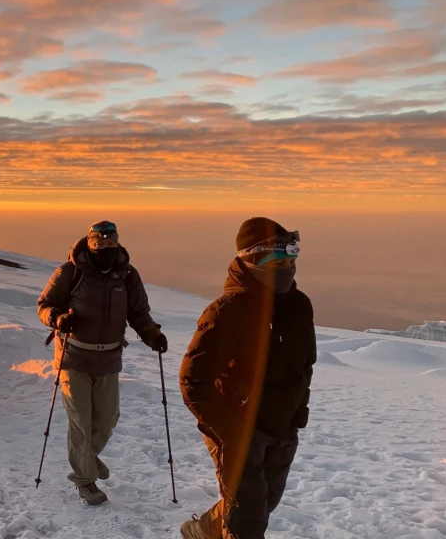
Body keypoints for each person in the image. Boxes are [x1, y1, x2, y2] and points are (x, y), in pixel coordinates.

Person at [179, 217, 316, 539]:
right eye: (279, 261)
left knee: (265, 502)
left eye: (291, 260)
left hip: (281, 425)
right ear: (253, 260)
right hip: (239, 430)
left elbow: (303, 365)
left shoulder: (298, 305)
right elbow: (193, 381)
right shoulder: (230, 309)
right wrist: (232, 431)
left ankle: (204, 528)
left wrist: (298, 413)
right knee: (249, 521)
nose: (288, 267)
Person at [37, 221, 167, 506]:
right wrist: (58, 318)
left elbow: (139, 312)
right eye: (100, 246)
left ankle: (88, 458)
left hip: (109, 358)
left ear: (117, 244)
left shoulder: (128, 276)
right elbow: (44, 305)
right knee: (81, 422)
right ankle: (85, 480)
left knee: (107, 421)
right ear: (90, 244)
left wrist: (151, 333)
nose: (106, 250)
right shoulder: (70, 272)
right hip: (74, 357)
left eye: (111, 245)